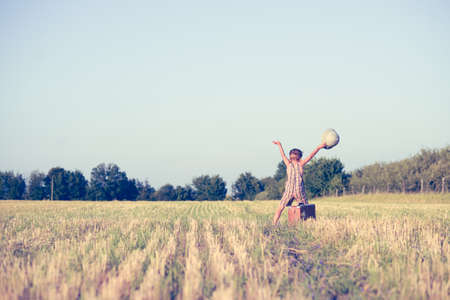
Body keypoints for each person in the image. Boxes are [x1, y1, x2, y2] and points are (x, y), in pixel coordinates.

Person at [272, 140, 327, 225]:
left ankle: (274, 224)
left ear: (290, 157)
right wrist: (319, 147)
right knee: (306, 207)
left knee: (280, 207)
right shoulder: (301, 164)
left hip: (289, 191)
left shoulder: (288, 164)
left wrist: (279, 145)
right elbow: (311, 155)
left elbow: (282, 155)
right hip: (299, 190)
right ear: (300, 157)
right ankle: (309, 223)